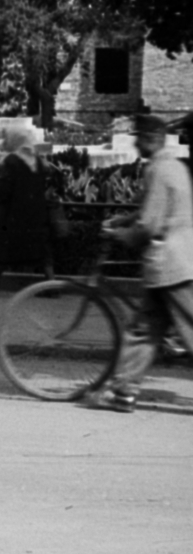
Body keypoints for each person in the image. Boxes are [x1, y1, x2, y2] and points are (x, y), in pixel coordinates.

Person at [92, 114, 193, 412]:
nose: (135, 144)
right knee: (144, 330)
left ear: (151, 139)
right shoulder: (173, 166)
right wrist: (122, 220)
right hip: (174, 262)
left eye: (138, 138)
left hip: (170, 264)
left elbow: (149, 224)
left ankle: (123, 390)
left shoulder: (159, 171)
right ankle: (123, 391)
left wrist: (122, 235)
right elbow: (150, 209)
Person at [0, 127, 55, 295]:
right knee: (40, 249)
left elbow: (4, 189)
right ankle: (51, 285)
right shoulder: (38, 161)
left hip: (14, 213)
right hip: (36, 212)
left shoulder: (12, 160)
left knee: (3, 245)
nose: (5, 142)